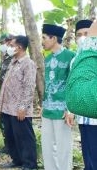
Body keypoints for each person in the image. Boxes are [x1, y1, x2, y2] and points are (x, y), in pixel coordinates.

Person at [0, 35, 37, 170]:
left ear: (19, 47)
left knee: (24, 138)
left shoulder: (28, 64)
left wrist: (23, 107)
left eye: (11, 45)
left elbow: (29, 87)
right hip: (7, 108)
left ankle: (30, 164)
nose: (9, 48)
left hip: (19, 110)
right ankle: (17, 160)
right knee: (11, 137)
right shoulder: (13, 62)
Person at [41, 24, 75, 170]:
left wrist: (70, 109)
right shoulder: (47, 59)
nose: (42, 41)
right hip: (47, 109)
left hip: (63, 111)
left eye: (44, 38)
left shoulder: (71, 56)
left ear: (54, 38)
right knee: (47, 147)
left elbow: (73, 85)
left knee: (63, 148)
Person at [66, 20, 97, 170]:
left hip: (94, 116)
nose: (83, 38)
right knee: (88, 153)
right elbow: (72, 85)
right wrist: (71, 111)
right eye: (79, 35)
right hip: (84, 118)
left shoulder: (90, 56)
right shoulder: (76, 60)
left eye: (87, 34)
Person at [0, 33, 13, 154]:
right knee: (2, 121)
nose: (2, 45)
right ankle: (7, 146)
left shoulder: (15, 58)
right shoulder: (5, 57)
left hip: (11, 97)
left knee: (10, 123)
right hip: (2, 95)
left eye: (3, 43)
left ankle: (12, 147)